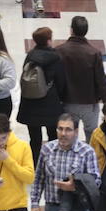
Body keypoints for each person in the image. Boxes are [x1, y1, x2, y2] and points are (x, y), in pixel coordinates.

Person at [16, 26, 67, 164]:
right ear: (49, 41)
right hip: (50, 104)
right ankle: (52, 163)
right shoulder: (56, 58)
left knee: (35, 138)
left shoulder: (30, 56)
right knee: (52, 136)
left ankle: (35, 163)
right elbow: (61, 81)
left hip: (30, 104)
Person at [55, 15, 106, 137]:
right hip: (89, 103)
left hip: (67, 101)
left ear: (71, 30)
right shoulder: (94, 53)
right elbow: (101, 81)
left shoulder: (59, 51)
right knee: (91, 135)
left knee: (69, 135)